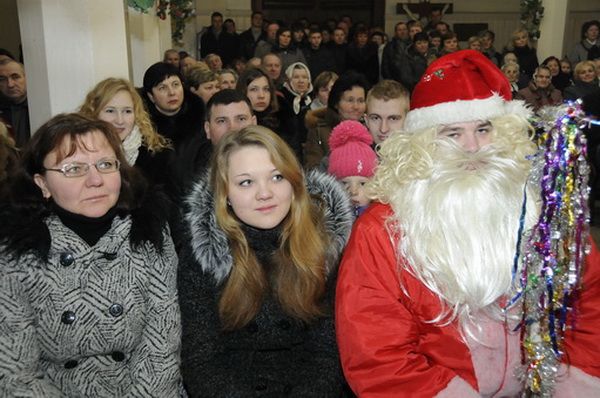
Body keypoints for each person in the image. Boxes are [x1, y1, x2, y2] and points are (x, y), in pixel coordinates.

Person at [335, 49, 600, 396]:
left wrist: (573, 383)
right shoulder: (383, 230)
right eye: (453, 133)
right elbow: (377, 352)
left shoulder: (543, 211)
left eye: (483, 128)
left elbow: (588, 302)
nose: (472, 147)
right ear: (424, 143)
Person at [0, 113, 182, 396]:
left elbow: (162, 347)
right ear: (42, 184)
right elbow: (14, 373)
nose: (95, 180)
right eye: (74, 169)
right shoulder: (16, 254)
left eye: (106, 164)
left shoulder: (149, 234)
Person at [177, 125, 353, 397]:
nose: (265, 193)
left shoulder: (324, 245)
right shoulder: (205, 255)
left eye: (277, 177)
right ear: (226, 195)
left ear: (294, 184)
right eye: (246, 182)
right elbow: (202, 361)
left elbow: (328, 354)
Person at [79, 77, 174, 189]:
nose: (120, 120)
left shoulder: (158, 155)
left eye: (127, 111)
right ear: (94, 113)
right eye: (110, 111)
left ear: (136, 114)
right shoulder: (79, 154)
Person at [141, 62, 208, 191]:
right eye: (162, 88)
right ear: (151, 96)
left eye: (175, 85)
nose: (171, 93)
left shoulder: (200, 118)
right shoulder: (143, 128)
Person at [304, 71, 370, 169]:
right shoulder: (318, 130)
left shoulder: (370, 129)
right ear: (336, 103)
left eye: (360, 101)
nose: (356, 106)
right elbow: (313, 171)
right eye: (350, 100)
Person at [327, 120, 377, 218]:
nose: (353, 191)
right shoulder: (327, 220)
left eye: (362, 183)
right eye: (344, 183)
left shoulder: (382, 219)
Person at [364, 79, 409, 145]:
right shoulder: (352, 152)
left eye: (393, 119)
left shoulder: (424, 153)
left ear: (408, 120)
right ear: (366, 121)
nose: (383, 129)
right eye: (376, 118)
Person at [0, 59, 30, 148]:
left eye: (15, 77)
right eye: (2, 79)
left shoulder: (41, 105)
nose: (10, 84)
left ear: (26, 77)